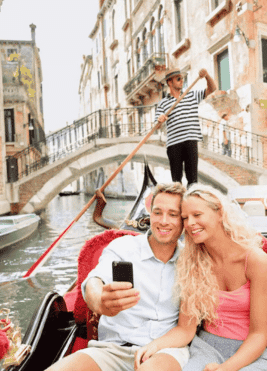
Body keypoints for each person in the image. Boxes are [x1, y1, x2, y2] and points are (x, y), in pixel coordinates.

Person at [45, 182, 191, 371]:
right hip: (112, 349)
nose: (163, 221)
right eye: (157, 212)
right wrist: (99, 300)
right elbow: (94, 281)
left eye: (173, 214)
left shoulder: (191, 262)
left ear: (183, 220)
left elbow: (187, 327)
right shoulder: (124, 247)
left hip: (165, 350)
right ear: (150, 214)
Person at [135, 183, 267, 371]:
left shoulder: (256, 261)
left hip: (254, 352)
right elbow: (185, 329)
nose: (189, 224)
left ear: (220, 213)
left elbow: (260, 335)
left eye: (197, 215)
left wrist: (225, 369)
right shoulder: (192, 263)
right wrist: (154, 346)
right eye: (185, 218)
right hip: (206, 349)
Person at [155, 68, 216, 187]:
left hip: (190, 140)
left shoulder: (191, 95)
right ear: (169, 82)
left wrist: (207, 75)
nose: (181, 80)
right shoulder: (163, 103)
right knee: (176, 181)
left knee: (193, 180)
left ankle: (191, 203)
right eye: (178, 78)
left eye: (182, 78)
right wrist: (160, 120)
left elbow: (212, 89)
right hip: (174, 144)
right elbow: (157, 126)